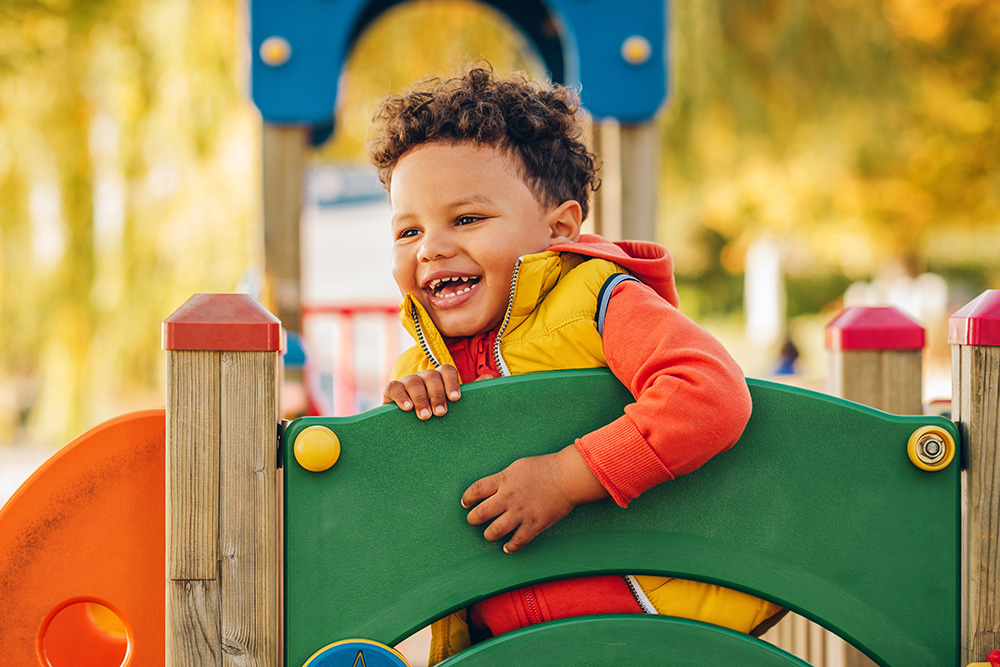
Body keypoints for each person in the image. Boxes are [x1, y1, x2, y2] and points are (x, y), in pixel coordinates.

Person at [369, 65, 783, 664]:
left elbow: (709, 391)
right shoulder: (421, 361)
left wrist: (565, 477)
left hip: (648, 626)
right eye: (408, 231)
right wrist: (400, 430)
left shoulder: (597, 299)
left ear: (558, 227)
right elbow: (405, 513)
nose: (430, 247)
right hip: (507, 646)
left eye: (466, 219)